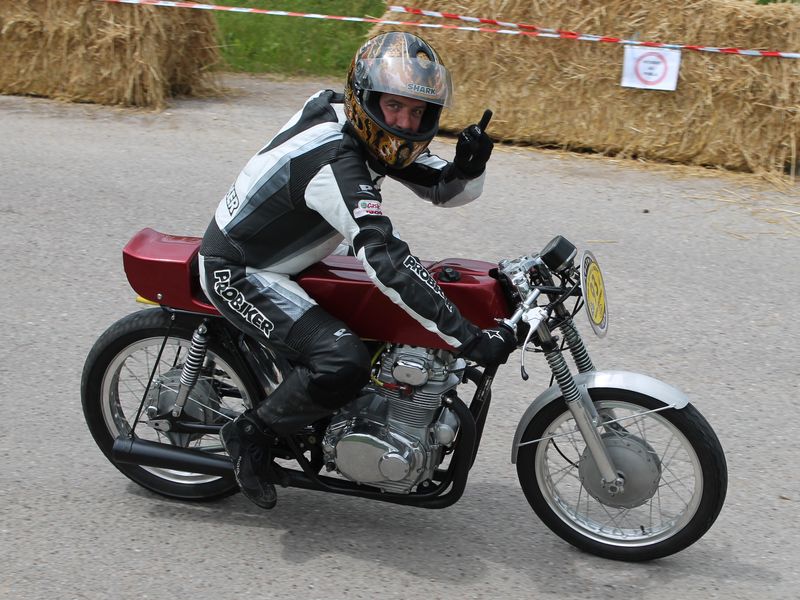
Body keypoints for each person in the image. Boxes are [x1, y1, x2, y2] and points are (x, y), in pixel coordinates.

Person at [198, 31, 517, 509]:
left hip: (295, 255)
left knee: (380, 334)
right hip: (242, 268)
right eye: (394, 106)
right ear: (365, 99)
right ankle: (250, 435)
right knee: (343, 362)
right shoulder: (335, 160)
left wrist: (468, 169)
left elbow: (437, 186)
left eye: (418, 111)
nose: (405, 122)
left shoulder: (361, 127)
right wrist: (468, 338)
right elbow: (387, 258)